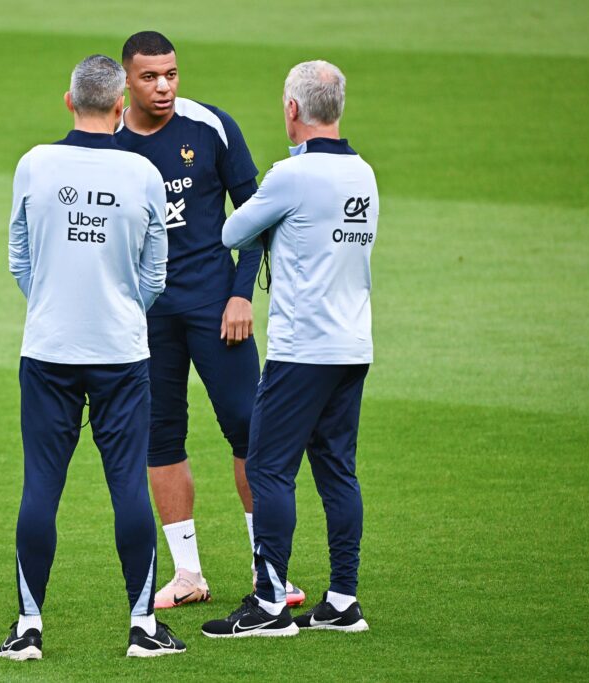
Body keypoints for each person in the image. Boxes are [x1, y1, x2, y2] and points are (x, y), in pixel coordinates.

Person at [0, 54, 186, 660]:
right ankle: (143, 628)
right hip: (122, 354)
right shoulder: (141, 174)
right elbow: (155, 274)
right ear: (119, 108)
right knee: (128, 485)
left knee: (41, 488)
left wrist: (54, 304)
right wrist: (122, 309)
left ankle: (28, 628)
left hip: (48, 349)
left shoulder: (34, 164)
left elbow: (19, 259)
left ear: (68, 101)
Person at [115, 30, 305, 609]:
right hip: (146, 319)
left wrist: (241, 295)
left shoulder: (210, 125)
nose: (165, 86)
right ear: (127, 79)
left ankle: (266, 571)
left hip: (216, 310)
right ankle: (189, 574)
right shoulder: (110, 142)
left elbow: (254, 217)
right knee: (160, 439)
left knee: (250, 431)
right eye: (150, 77)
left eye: (171, 73)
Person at [201, 60, 378, 638]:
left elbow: (231, 233)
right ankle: (343, 599)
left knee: (268, 467)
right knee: (337, 472)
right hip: (353, 344)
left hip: (303, 348)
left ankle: (271, 604)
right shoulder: (364, 174)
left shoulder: (289, 176)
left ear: (293, 110)